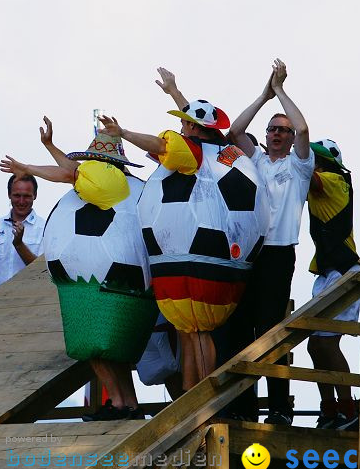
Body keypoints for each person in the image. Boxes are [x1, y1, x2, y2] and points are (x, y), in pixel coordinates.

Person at [99, 98, 268, 392]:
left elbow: (162, 145)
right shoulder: (228, 152)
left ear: (193, 127)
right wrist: (174, 91)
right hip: (220, 259)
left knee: (198, 333)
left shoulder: (191, 150)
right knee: (190, 333)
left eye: (183, 123)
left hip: (195, 261)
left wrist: (123, 132)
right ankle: (193, 400)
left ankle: (203, 400)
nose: (180, 127)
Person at [1, 126, 152, 421]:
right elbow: (72, 171)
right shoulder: (126, 185)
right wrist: (49, 145)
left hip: (102, 281)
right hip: (123, 282)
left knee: (95, 346)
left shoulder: (106, 183)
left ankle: (121, 403)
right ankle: (128, 403)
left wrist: (29, 164)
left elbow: (70, 173)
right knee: (111, 349)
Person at [220, 58, 313, 425]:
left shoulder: (298, 166)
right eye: (273, 129)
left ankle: (279, 408)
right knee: (241, 328)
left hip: (278, 254)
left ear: (289, 140)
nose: (277, 134)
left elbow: (304, 128)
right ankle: (243, 406)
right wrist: (262, 95)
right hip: (249, 254)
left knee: (271, 330)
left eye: (282, 131)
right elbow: (234, 132)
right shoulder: (256, 160)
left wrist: (280, 91)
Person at [304, 139, 360, 430]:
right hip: (328, 271)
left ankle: (347, 409)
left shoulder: (335, 180)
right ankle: (330, 409)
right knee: (315, 346)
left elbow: (307, 177)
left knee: (326, 342)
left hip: (344, 270)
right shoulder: (319, 181)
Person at [0, 174, 44, 297]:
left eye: (27, 196)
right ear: (9, 194)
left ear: (35, 196)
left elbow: (43, 273)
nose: (21, 201)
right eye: (17, 195)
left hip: (30, 305)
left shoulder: (45, 228)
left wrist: (19, 245)